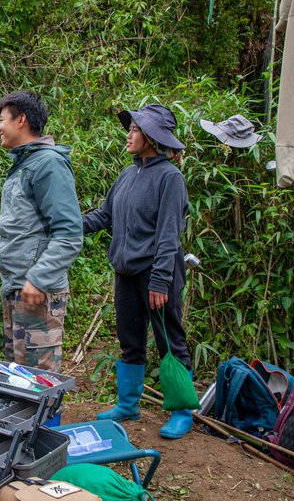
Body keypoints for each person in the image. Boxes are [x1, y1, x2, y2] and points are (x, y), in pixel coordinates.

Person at [82, 104, 193, 439]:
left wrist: (160, 280)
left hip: (157, 272)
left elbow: (168, 234)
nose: (128, 134)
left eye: (135, 130)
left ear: (152, 138)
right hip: (126, 271)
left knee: (169, 339)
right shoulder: (128, 174)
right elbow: (104, 216)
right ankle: (129, 403)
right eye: (129, 128)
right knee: (130, 338)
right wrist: (67, 224)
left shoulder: (170, 178)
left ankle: (182, 411)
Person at [0, 90, 83, 372]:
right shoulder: (25, 164)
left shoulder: (48, 164)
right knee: (18, 375)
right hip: (17, 286)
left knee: (40, 380)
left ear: (21, 120)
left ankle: (47, 420)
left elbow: (69, 233)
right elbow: (25, 226)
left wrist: (38, 278)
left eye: (2, 120)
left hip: (37, 290)